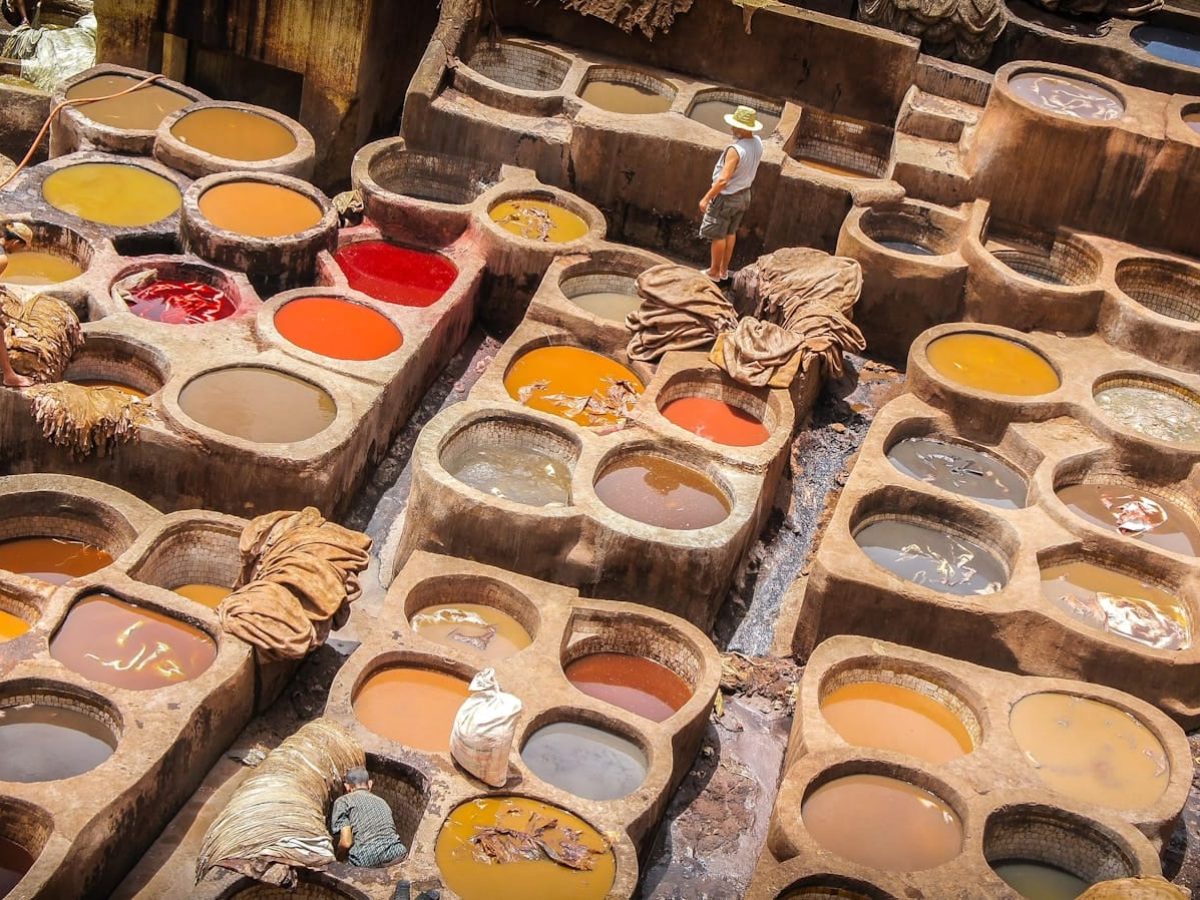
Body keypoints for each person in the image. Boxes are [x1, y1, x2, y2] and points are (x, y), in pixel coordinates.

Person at [698, 105, 765, 283]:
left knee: (718, 234)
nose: (732, 129)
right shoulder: (758, 142)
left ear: (743, 128)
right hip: (744, 195)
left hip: (727, 197)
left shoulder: (735, 150)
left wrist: (707, 198)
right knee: (730, 232)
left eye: (735, 126)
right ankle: (723, 271)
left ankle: (713, 272)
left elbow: (723, 180)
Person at [330, 767, 407, 868]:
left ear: (347, 787)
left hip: (365, 860)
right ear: (370, 784)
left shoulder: (343, 801)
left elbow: (346, 843)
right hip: (398, 854)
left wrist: (338, 863)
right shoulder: (382, 802)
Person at [0, 221, 33, 389]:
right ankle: (9, 375)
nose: (19, 251)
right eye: (22, 247)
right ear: (16, 242)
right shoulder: (3, 259)